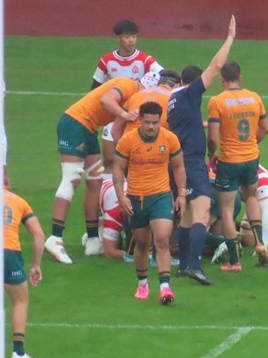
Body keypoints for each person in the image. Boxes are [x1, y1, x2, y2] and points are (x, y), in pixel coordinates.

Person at [46, 74, 158, 264]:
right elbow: (106, 100)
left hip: (88, 128)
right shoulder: (128, 85)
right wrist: (123, 114)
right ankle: (55, 238)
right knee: (71, 178)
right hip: (75, 124)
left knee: (95, 182)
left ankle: (93, 240)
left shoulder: (133, 94)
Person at [167, 15, 237, 284]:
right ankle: (195, 266)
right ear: (194, 83)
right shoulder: (189, 94)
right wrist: (230, 38)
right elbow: (216, 66)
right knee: (202, 212)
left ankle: (185, 265)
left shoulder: (173, 100)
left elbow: (186, 124)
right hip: (192, 162)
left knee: (186, 216)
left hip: (177, 162)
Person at [114, 101, 186, 305]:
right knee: (142, 243)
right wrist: (121, 196)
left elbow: (179, 166)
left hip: (161, 195)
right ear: (140, 121)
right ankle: (143, 283)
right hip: (136, 198)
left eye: (155, 123)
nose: (151, 127)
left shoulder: (169, 139)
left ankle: (165, 288)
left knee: (162, 239)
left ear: (160, 121)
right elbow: (118, 169)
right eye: (147, 122)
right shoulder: (128, 140)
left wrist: (181, 194)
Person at [207, 60, 268, 271]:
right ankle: (260, 243)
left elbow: (212, 137)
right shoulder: (254, 98)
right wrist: (252, 143)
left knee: (226, 210)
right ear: (239, 77)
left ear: (222, 79)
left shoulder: (217, 101)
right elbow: (265, 128)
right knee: (251, 197)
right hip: (251, 158)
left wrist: (212, 155)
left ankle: (235, 262)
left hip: (228, 160)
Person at [92, 19, 165, 182]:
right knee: (109, 158)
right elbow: (95, 88)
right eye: (127, 37)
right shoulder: (106, 61)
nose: (131, 40)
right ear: (118, 38)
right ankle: (108, 192)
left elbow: (163, 74)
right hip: (113, 115)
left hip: (134, 115)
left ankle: (131, 188)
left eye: (134, 36)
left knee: (131, 158)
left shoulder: (145, 60)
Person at [3, 188, 45, 358]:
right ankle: (18, 352)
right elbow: (39, 235)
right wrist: (35, 265)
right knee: (20, 301)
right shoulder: (19, 201)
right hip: (10, 253)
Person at [111, 70, 181, 142]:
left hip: (131, 144)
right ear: (177, 86)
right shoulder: (175, 99)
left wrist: (123, 146)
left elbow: (115, 131)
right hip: (158, 145)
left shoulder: (135, 96)